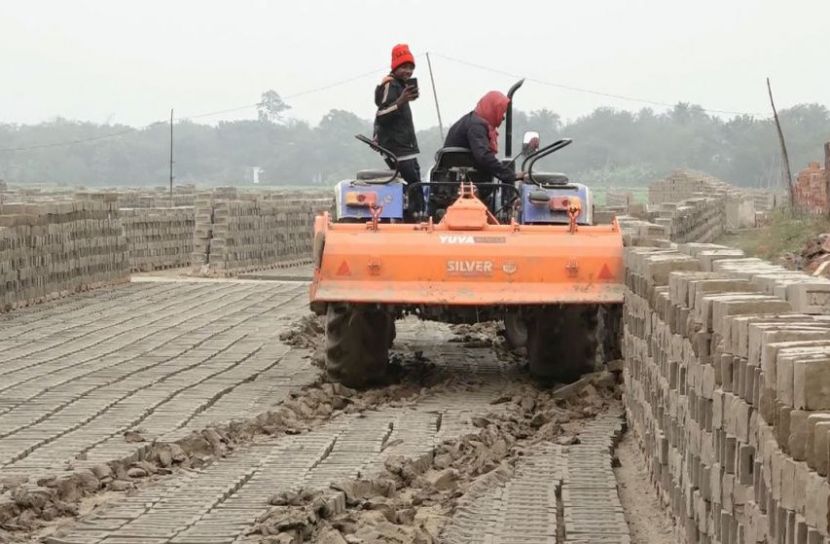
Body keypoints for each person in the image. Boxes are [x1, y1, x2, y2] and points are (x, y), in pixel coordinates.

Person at [373, 43, 424, 214]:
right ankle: (415, 218)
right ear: (395, 67)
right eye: (404, 67)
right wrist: (401, 101)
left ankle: (416, 216)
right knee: (414, 187)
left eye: (411, 68)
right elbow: (381, 114)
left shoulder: (401, 85)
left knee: (415, 184)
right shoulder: (391, 85)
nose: (408, 72)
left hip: (406, 147)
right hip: (398, 148)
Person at [443, 90, 525, 182]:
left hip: (456, 178)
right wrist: (511, 175)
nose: (503, 117)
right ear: (492, 109)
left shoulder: (471, 121)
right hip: (464, 182)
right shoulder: (476, 126)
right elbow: (483, 157)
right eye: (501, 112)